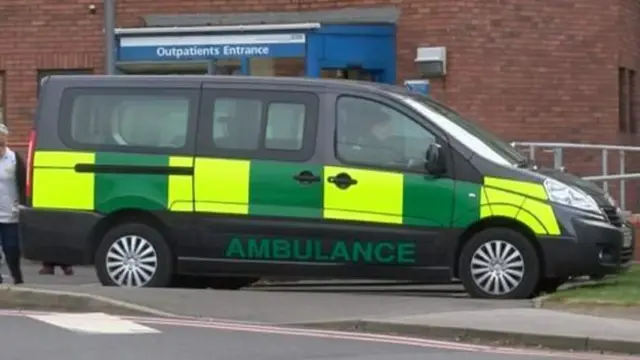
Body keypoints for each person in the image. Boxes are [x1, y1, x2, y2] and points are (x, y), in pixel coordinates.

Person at [0, 124, 24, 285]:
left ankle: (17, 277)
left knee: (11, 249)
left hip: (11, 213)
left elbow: (23, 185)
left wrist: (21, 205)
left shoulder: (15, 159)